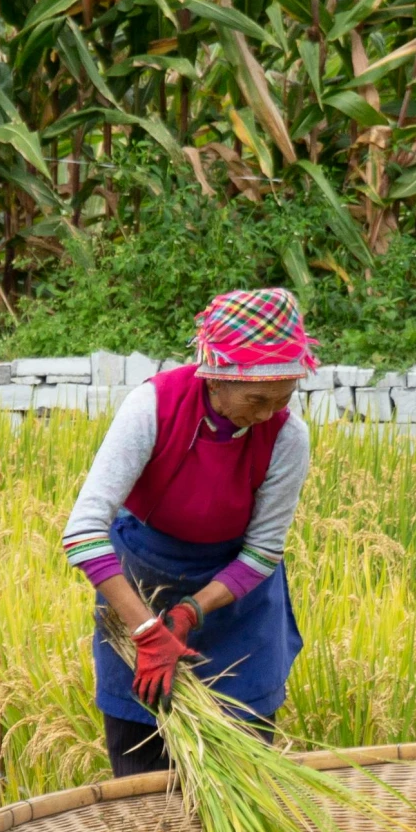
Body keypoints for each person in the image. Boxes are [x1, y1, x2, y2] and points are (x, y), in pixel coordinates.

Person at [61, 287, 317, 777]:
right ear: (214, 379)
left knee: (245, 775)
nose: (267, 414)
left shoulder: (287, 435)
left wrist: (190, 611)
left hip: (236, 608)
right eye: (257, 399)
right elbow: (83, 532)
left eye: (282, 399)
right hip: (139, 591)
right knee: (142, 778)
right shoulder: (152, 408)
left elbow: (263, 551)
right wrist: (145, 630)